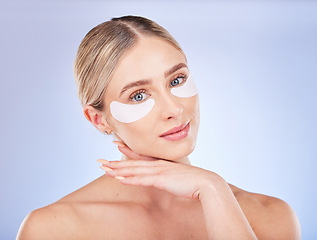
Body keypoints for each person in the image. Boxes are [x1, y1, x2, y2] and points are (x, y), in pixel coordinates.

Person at [17, 15, 301, 240]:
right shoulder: (52, 230)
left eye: (176, 80)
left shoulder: (271, 218)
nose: (174, 109)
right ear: (98, 119)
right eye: (139, 95)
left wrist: (212, 188)